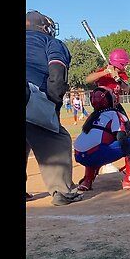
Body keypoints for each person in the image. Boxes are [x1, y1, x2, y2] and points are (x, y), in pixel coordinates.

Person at [25, 10, 83, 205]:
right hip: (31, 93)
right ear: (44, 27)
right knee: (57, 138)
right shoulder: (52, 42)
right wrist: (53, 101)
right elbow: (57, 72)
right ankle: (63, 192)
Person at [74, 87, 130, 191]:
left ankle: (86, 181)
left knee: (93, 147)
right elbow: (121, 137)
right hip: (97, 153)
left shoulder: (92, 116)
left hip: (79, 155)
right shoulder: (114, 113)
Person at [84, 48, 130, 117]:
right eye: (125, 64)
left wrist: (118, 79)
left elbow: (127, 89)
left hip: (116, 106)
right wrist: (105, 72)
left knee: (127, 124)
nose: (126, 66)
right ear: (119, 64)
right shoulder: (104, 71)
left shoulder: (122, 74)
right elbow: (88, 79)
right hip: (102, 107)